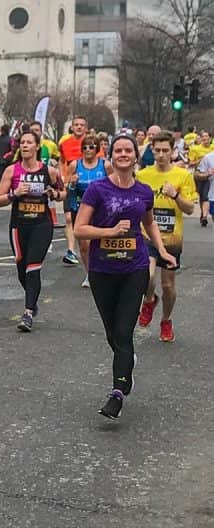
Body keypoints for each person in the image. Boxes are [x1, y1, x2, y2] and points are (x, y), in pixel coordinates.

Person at [74, 133, 178, 420]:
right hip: (102, 270)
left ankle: (117, 393)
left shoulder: (143, 191)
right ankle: (126, 363)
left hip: (134, 269)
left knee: (123, 332)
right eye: (118, 150)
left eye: (127, 150)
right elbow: (80, 228)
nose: (122, 154)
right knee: (112, 333)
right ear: (112, 156)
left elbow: (149, 222)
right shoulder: (97, 190)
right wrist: (109, 232)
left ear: (135, 156)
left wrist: (161, 250)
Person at [0, 130, 64, 332]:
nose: (25, 146)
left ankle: (27, 313)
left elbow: (63, 192)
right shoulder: (12, 171)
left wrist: (53, 193)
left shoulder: (49, 171)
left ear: (37, 146)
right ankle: (32, 300)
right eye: (22, 143)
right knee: (21, 269)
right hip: (19, 225)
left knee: (32, 267)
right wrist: (14, 194)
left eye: (29, 142)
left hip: (41, 225)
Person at [137, 130, 196, 342]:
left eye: (165, 150)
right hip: (147, 236)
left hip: (172, 238)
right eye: (157, 150)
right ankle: (149, 299)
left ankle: (166, 319)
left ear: (172, 151)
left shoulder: (183, 176)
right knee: (146, 275)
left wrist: (176, 195)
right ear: (152, 150)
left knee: (168, 286)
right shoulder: (142, 175)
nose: (161, 154)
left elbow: (189, 209)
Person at [65, 133, 112, 287]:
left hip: (100, 210)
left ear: (97, 148)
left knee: (98, 243)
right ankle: (89, 273)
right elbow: (66, 188)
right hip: (79, 207)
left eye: (91, 146)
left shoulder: (105, 165)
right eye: (84, 147)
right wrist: (71, 183)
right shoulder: (74, 165)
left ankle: (102, 270)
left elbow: (114, 185)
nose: (88, 150)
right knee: (84, 245)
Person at [58, 116, 87, 266]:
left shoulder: (90, 143)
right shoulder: (65, 144)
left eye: (82, 125)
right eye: (76, 125)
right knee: (69, 218)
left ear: (86, 128)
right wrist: (63, 177)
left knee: (84, 219)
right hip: (70, 184)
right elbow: (62, 161)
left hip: (87, 186)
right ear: (72, 127)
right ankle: (71, 251)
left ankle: (88, 251)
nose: (79, 127)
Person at [188, 129, 213, 227]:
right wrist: (201, 160)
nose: (205, 138)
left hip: (210, 175)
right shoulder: (195, 149)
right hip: (199, 175)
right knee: (202, 195)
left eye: (207, 136)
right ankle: (203, 213)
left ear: (210, 138)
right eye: (203, 137)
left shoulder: (213, 148)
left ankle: (205, 216)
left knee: (206, 195)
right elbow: (190, 163)